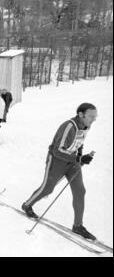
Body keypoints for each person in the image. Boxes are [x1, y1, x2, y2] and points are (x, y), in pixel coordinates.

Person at [22, 103, 98, 240]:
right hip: (57, 160)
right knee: (47, 189)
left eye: (95, 116)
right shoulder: (69, 126)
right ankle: (27, 205)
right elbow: (58, 150)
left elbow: (79, 142)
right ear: (81, 115)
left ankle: (78, 226)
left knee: (80, 191)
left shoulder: (87, 125)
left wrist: (81, 156)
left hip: (73, 161)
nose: (94, 119)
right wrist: (79, 157)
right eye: (91, 116)